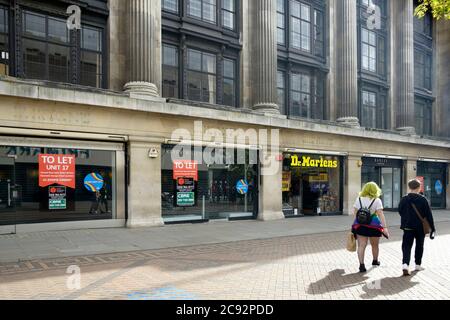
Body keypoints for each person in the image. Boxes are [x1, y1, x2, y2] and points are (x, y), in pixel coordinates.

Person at [398, 179, 436, 276]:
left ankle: (405, 264)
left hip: (407, 226)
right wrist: (432, 228)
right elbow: (429, 215)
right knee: (419, 245)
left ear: (409, 187)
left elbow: (400, 211)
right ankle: (417, 265)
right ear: (419, 188)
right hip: (420, 228)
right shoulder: (423, 199)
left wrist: (406, 218)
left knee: (406, 246)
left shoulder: (404, 199)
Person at [352, 182, 389, 273]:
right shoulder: (377, 200)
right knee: (375, 245)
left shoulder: (359, 199)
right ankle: (375, 261)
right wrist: (385, 227)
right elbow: (380, 214)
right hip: (374, 226)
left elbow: (355, 213)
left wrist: (357, 222)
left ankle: (361, 265)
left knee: (361, 245)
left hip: (361, 225)